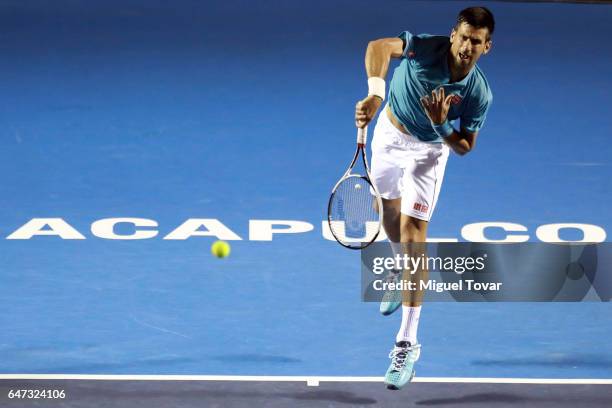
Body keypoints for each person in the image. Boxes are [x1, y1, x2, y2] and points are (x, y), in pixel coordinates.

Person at [354, 6, 495, 390]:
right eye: (464, 37)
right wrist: (374, 95)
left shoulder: (479, 94)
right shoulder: (423, 48)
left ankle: (407, 343)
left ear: (488, 46)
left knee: (415, 236)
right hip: (389, 132)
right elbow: (378, 47)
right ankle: (399, 270)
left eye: (477, 42)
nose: (468, 47)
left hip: (429, 154)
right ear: (453, 35)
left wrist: (441, 124)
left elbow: (464, 146)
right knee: (387, 211)